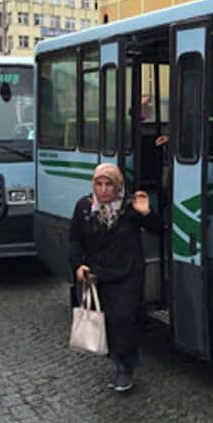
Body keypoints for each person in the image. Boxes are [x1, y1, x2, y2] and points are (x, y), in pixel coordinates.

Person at [69, 163, 161, 393]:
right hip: (98, 274)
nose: (103, 189)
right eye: (98, 184)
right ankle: (118, 360)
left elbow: (159, 229)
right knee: (107, 320)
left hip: (127, 273)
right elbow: (74, 240)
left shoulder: (131, 206)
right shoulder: (84, 207)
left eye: (108, 184)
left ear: (118, 185)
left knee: (123, 318)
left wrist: (147, 213)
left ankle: (125, 368)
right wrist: (78, 265)